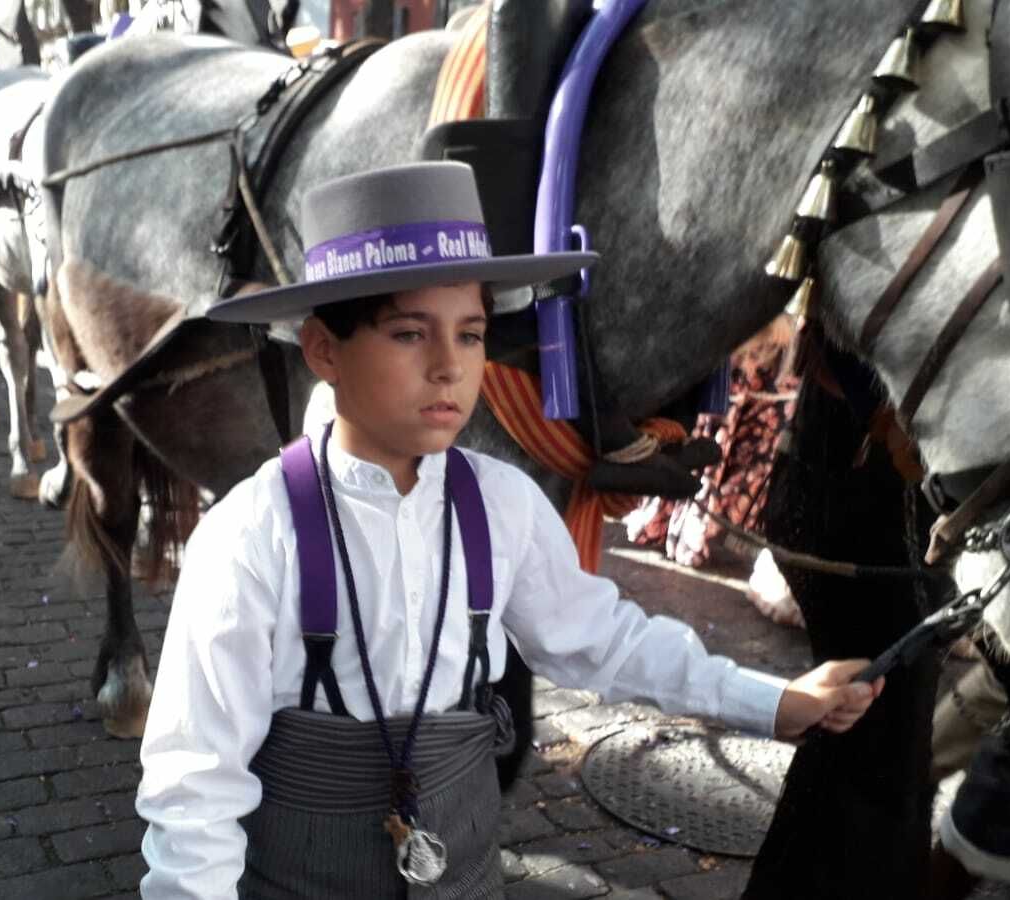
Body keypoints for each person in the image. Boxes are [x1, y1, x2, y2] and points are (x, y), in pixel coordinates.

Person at [133, 162, 886, 897]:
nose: (449, 369)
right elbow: (193, 786)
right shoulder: (251, 536)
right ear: (325, 349)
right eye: (407, 334)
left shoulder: (501, 504)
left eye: (470, 335)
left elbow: (602, 639)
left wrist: (772, 699)